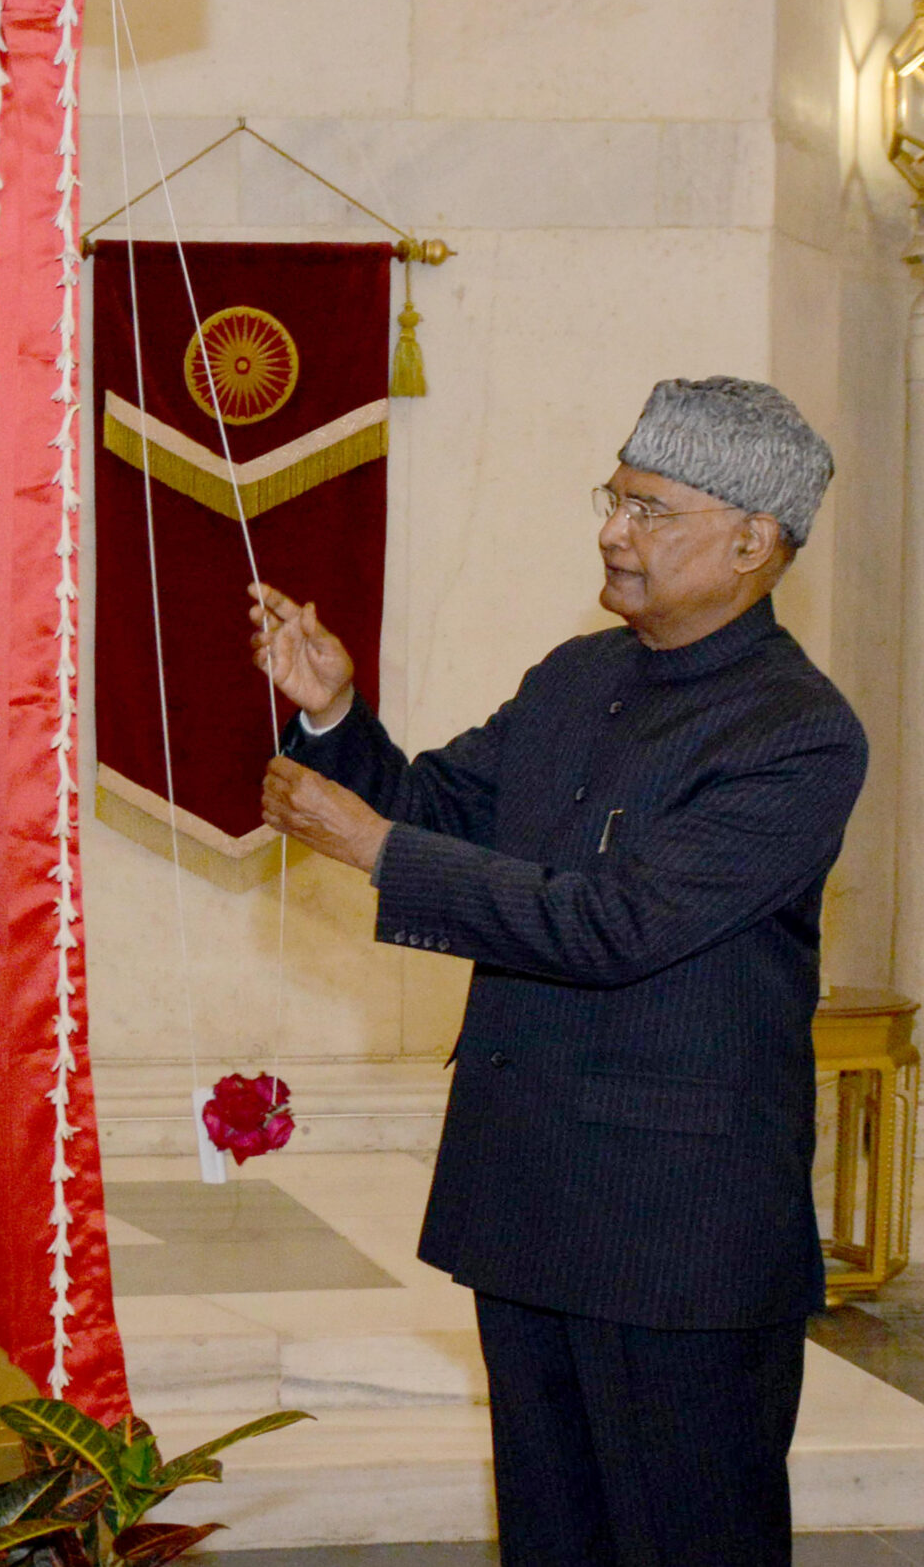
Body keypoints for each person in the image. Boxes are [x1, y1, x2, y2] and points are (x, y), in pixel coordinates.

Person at [248, 376, 865, 1565]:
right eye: (611, 497)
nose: (610, 531)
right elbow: (440, 808)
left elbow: (615, 925)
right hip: (526, 1202)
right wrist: (333, 718)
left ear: (751, 542)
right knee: (550, 1538)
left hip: (675, 1241)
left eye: (648, 509)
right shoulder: (577, 675)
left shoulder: (797, 730)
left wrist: (378, 850)